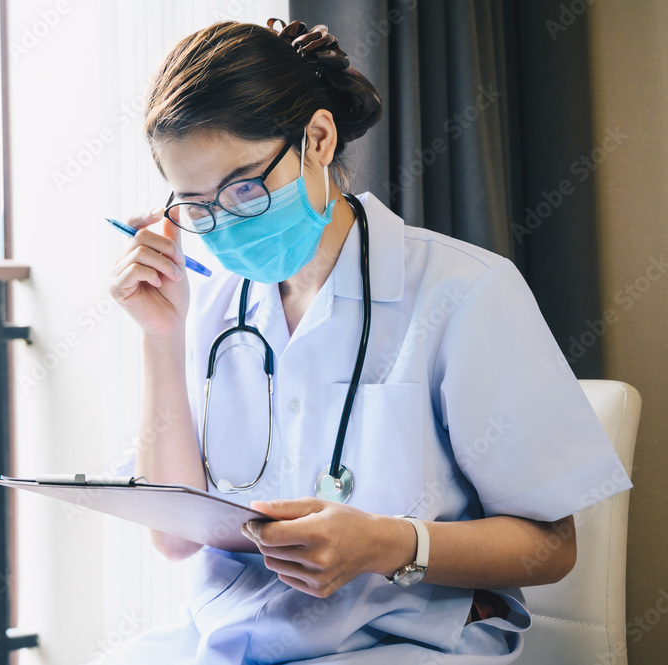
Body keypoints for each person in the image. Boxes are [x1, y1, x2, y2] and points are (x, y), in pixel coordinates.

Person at [104, 17, 632, 664]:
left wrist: (388, 542)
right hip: (229, 639)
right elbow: (176, 541)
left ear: (318, 139)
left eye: (243, 186)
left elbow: (552, 546)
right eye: (195, 205)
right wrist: (161, 336)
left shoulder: (462, 291)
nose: (224, 224)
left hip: (407, 642)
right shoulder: (206, 302)